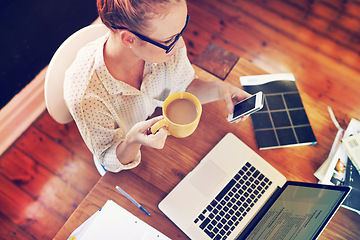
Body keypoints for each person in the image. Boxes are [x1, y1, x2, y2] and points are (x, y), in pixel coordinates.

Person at [64, 0, 250, 173]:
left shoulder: (167, 49)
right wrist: (132, 140)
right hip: (124, 157)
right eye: (169, 40)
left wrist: (220, 89)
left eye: (181, 29)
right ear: (129, 39)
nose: (179, 45)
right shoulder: (87, 95)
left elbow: (182, 87)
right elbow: (107, 156)